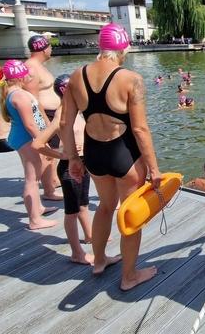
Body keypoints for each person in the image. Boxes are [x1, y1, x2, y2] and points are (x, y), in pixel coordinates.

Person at [60, 23, 162, 290]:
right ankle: (129, 276)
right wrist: (154, 168)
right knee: (130, 215)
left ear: (100, 47)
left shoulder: (75, 76)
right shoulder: (131, 79)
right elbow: (140, 129)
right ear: (123, 48)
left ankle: (100, 260)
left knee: (105, 207)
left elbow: (64, 124)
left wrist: (72, 158)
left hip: (94, 154)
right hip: (124, 155)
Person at [32, 74, 93, 264]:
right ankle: (77, 253)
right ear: (66, 90)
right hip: (69, 167)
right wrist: (62, 155)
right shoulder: (61, 114)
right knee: (72, 211)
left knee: (83, 204)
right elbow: (38, 143)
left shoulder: (78, 111)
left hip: (83, 164)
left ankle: (90, 236)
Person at [0, 59, 57, 230]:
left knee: (34, 176)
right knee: (32, 179)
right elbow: (30, 124)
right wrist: (42, 144)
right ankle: (35, 220)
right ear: (20, 76)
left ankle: (37, 208)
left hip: (21, 138)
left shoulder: (12, 93)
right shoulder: (20, 95)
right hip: (25, 139)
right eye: (26, 74)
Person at [25, 34, 62, 201]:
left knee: (54, 150)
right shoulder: (32, 69)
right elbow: (33, 101)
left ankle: (53, 180)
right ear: (43, 48)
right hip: (45, 115)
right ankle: (49, 190)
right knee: (48, 151)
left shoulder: (39, 66)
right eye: (49, 46)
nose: (51, 49)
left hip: (51, 113)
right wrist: (45, 123)